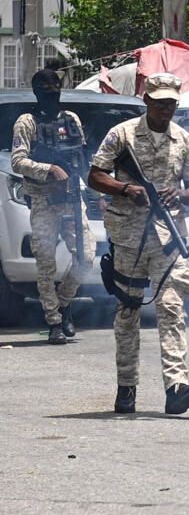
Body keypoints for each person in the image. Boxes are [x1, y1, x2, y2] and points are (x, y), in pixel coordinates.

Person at [88, 73, 189, 415]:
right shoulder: (121, 134)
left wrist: (179, 193)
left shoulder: (184, 140)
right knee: (128, 311)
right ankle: (127, 387)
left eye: (171, 102)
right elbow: (95, 174)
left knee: (171, 304)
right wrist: (126, 189)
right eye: (159, 101)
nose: (165, 108)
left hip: (168, 237)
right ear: (147, 100)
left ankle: (176, 387)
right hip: (128, 237)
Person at [11, 68, 96, 345]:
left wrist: (101, 193)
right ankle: (55, 322)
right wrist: (49, 169)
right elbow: (18, 161)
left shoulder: (71, 119)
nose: (53, 94)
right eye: (46, 90)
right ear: (36, 92)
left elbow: (81, 158)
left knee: (86, 257)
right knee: (46, 266)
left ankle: (63, 302)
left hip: (72, 199)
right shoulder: (27, 122)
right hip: (43, 201)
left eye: (56, 88)